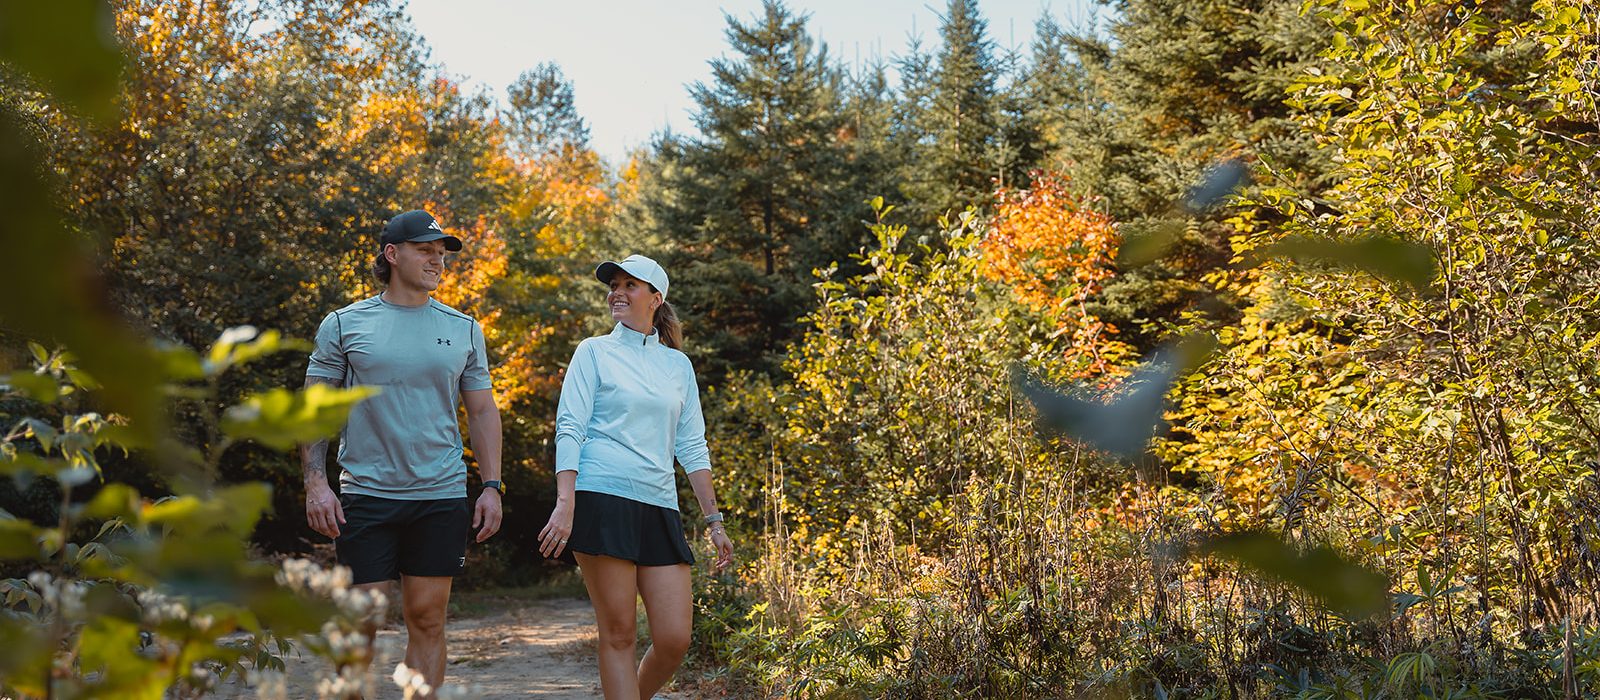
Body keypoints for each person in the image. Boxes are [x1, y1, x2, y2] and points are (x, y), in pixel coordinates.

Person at [301, 209, 504, 691]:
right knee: (363, 620)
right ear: (392, 255)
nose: (437, 261)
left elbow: (481, 412)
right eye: (425, 250)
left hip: (440, 495)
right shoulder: (344, 324)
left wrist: (492, 486)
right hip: (366, 494)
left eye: (442, 253)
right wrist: (315, 484)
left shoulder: (463, 328)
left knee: (428, 618)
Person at [539, 254, 734, 700]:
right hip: (601, 497)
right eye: (615, 285)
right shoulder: (594, 351)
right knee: (620, 633)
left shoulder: (678, 366)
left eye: (630, 285)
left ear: (656, 298)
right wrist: (565, 502)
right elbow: (570, 425)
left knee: (673, 639)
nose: (618, 292)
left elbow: (691, 445)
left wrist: (714, 520)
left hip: (660, 503)